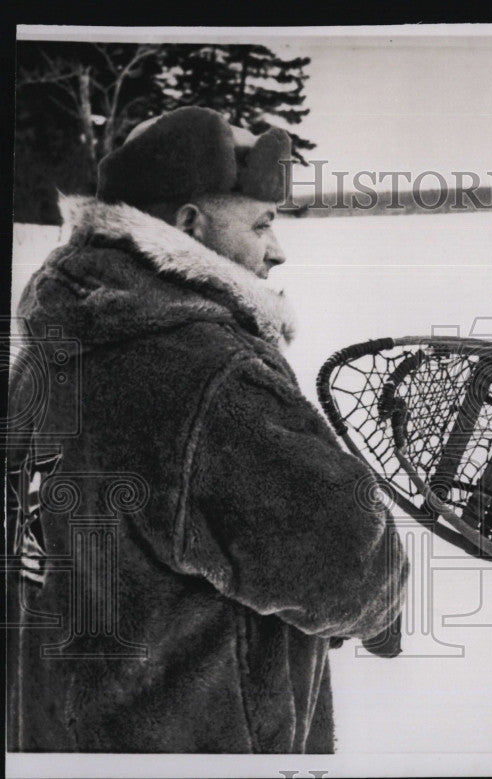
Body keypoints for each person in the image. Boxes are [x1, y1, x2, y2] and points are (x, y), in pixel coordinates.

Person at [6, 107, 407, 753]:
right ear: (188, 224)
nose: (277, 250)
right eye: (260, 223)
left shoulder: (47, 355)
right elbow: (346, 561)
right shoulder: (207, 374)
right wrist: (383, 613)